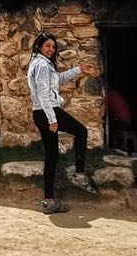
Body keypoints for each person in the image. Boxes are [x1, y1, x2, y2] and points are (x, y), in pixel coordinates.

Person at [27, 31, 93, 214]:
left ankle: (49, 201)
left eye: (53, 47)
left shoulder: (43, 64)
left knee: (52, 155)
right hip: (47, 111)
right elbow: (43, 93)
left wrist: (79, 70)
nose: (51, 49)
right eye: (47, 45)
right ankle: (79, 175)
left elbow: (58, 80)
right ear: (39, 46)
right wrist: (52, 119)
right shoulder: (41, 65)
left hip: (40, 112)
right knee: (81, 131)